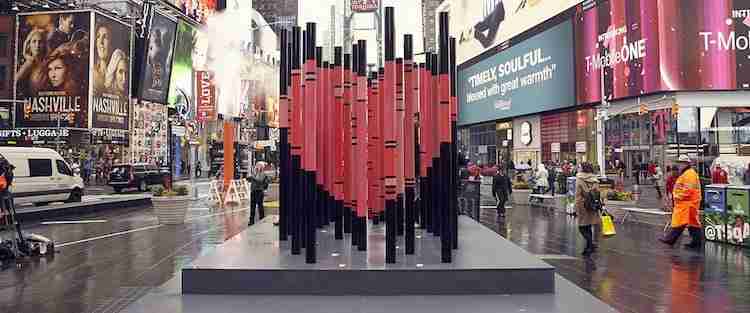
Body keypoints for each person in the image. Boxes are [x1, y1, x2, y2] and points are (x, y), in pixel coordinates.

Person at [659, 155, 703, 249]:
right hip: (688, 203)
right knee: (692, 223)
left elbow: (688, 189)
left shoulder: (689, 174)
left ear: (686, 164)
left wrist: (677, 196)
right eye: (679, 163)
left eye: (681, 163)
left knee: (680, 222)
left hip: (688, 203)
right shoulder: (686, 173)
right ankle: (696, 242)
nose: (679, 165)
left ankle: (670, 239)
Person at [575, 163, 601, 256]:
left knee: (581, 227)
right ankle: (588, 247)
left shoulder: (579, 179)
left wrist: (576, 206)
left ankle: (590, 244)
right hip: (592, 205)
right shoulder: (595, 179)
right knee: (588, 226)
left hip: (582, 205)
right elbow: (598, 192)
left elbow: (578, 193)